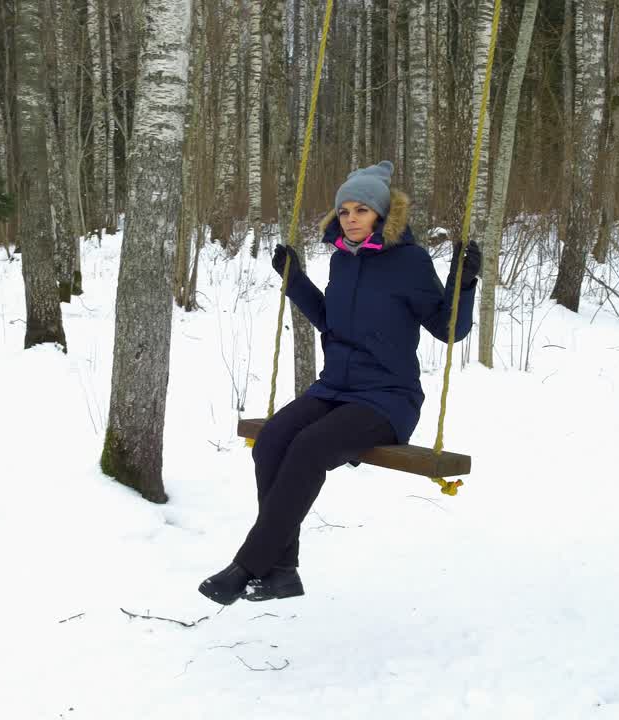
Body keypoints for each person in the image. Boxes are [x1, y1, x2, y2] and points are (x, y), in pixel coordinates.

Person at [199, 160, 482, 605]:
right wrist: (295, 281)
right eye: (345, 210)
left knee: (309, 447)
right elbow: (331, 321)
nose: (351, 218)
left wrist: (462, 284)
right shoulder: (342, 262)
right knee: (273, 439)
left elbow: (449, 330)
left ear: (382, 215)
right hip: (335, 388)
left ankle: (248, 565)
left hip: (387, 400)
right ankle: (283, 571)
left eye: (361, 210)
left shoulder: (409, 262)